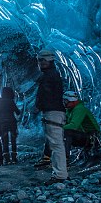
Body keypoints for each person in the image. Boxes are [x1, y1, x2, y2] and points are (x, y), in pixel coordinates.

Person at [34, 49, 68, 184]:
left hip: (53, 112)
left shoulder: (50, 76)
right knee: (55, 144)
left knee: (56, 144)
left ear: (50, 60)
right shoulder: (51, 74)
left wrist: (39, 106)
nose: (41, 62)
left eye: (43, 59)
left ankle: (60, 175)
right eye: (39, 60)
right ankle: (59, 173)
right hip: (54, 111)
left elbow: (46, 94)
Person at [63, 91, 101, 159]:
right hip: (85, 136)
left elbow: (74, 126)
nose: (64, 103)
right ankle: (51, 157)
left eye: (66, 101)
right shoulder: (70, 110)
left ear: (73, 102)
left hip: (92, 137)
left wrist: (58, 127)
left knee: (66, 132)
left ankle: (65, 158)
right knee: (59, 133)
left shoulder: (80, 109)